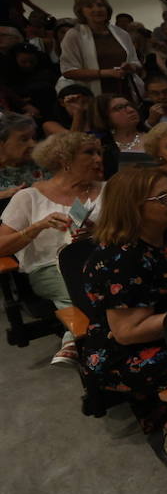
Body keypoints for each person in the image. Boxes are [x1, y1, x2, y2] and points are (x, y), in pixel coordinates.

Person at [82, 165, 167, 464]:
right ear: (133, 208)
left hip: (165, 325)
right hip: (123, 352)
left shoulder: (164, 233)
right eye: (163, 197)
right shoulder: (123, 258)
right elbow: (128, 332)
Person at [0, 131, 105, 364]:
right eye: (89, 153)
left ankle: (75, 340)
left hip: (104, 260)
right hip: (50, 267)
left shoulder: (109, 190)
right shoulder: (28, 197)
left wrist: (98, 230)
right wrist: (37, 227)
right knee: (87, 291)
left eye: (99, 152)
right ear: (63, 159)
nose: (98, 159)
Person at [57, 0, 142, 98]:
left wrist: (131, 66)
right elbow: (68, 71)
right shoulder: (74, 35)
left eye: (100, 5)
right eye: (89, 6)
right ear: (81, 12)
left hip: (124, 90)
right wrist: (105, 73)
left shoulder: (121, 33)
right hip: (94, 94)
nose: (97, 9)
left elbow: (136, 62)